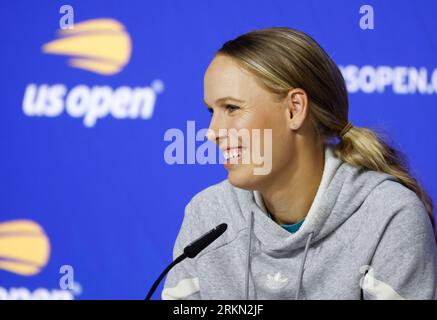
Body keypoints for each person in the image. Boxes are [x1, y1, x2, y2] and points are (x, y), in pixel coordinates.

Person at [162, 27, 437, 300]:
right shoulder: (208, 214)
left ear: (294, 109)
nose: (212, 132)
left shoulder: (389, 216)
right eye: (212, 111)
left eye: (232, 108)